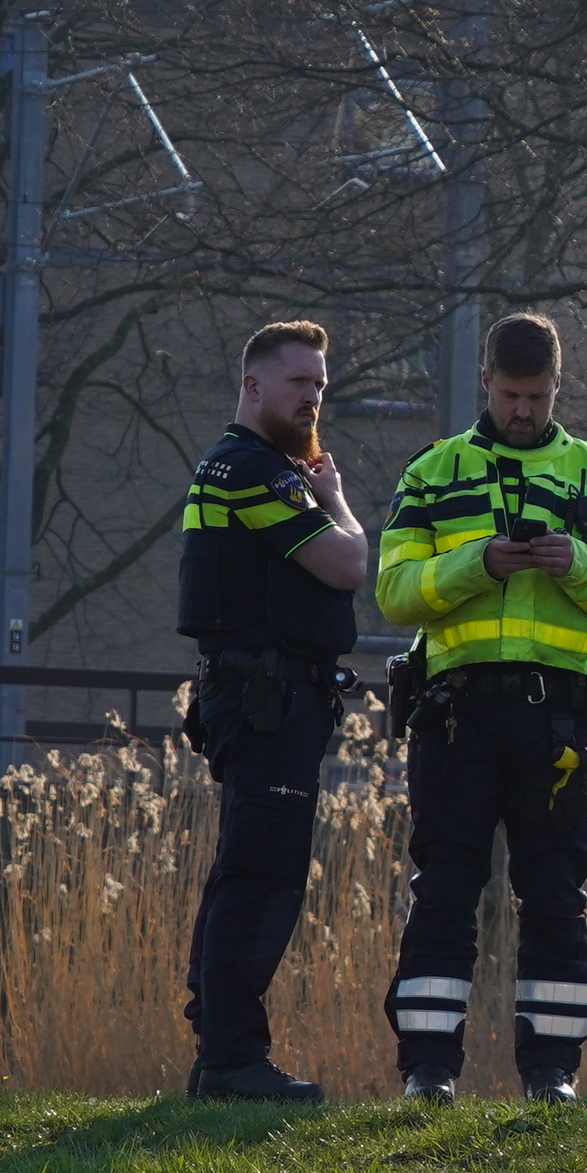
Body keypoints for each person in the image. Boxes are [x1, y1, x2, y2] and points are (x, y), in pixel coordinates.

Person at [374, 312, 587, 1103]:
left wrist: (580, 566)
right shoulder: (434, 471)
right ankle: (428, 1071)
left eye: (535, 396)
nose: (522, 411)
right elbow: (395, 591)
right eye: (509, 396)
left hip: (558, 724)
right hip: (459, 715)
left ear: (557, 386)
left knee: (557, 894)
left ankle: (551, 1074)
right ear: (486, 384)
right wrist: (478, 562)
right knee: (444, 891)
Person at [174, 320, 370, 1104]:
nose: (313, 396)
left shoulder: (252, 466)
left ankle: (223, 1049)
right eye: (299, 382)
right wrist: (340, 503)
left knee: (246, 870)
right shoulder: (249, 469)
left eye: (320, 384)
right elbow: (350, 564)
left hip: (267, 696)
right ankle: (231, 1060)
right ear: (253, 386)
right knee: (261, 875)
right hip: (266, 699)